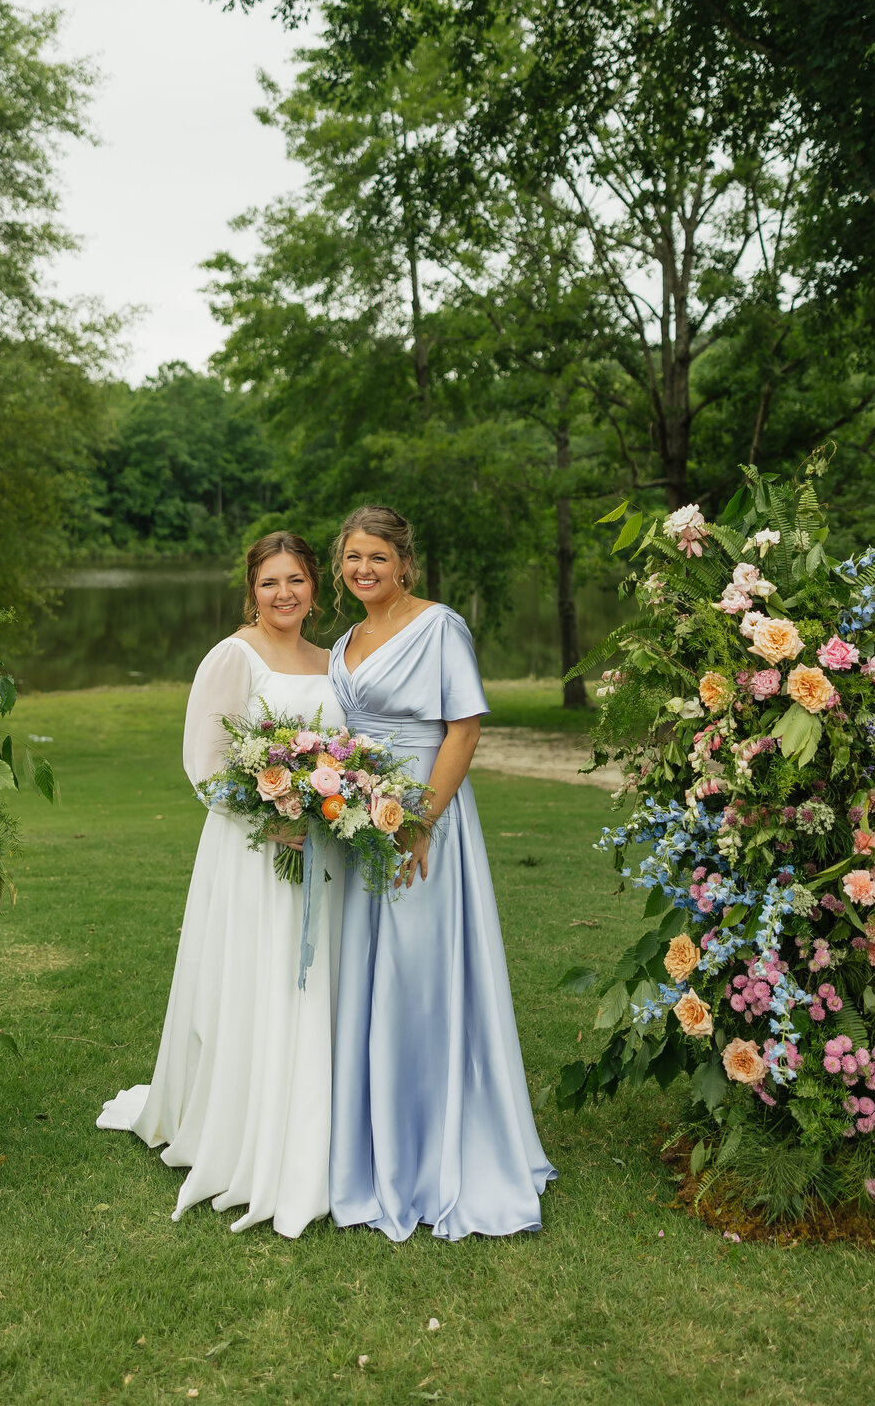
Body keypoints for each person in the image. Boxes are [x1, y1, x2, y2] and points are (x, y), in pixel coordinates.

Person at [97, 531, 343, 1237]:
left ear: (313, 587)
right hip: (251, 852)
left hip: (319, 848)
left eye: (296, 580)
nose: (284, 594)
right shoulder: (231, 656)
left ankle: (309, 1124)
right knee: (258, 979)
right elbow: (205, 763)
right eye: (270, 583)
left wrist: (326, 803)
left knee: (310, 980)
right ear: (251, 590)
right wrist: (271, 821)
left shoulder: (332, 662)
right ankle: (242, 1131)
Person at [327, 505, 556, 1241]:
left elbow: (464, 728)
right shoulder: (348, 639)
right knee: (366, 977)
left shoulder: (438, 626)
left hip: (425, 819)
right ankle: (371, 1144)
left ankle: (431, 1154)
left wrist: (421, 819)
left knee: (419, 977)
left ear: (405, 564)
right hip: (359, 824)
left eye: (377, 559)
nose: (364, 570)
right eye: (353, 558)